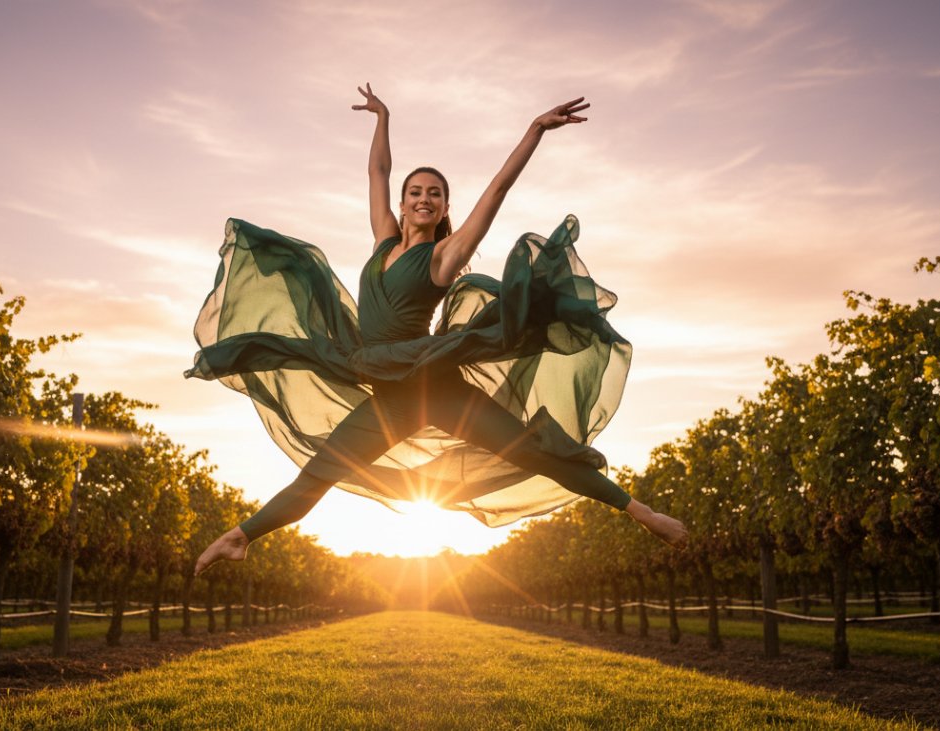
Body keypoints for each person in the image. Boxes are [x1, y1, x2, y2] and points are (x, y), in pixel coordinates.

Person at [189, 84, 687, 574]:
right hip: (389, 399)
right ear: (404, 204)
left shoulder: (444, 256)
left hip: (436, 387)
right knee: (319, 474)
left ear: (445, 208)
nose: (424, 198)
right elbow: (377, 171)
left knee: (533, 452)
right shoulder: (383, 241)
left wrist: (535, 129)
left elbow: (498, 189)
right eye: (416, 192)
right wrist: (382, 118)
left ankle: (641, 513)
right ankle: (240, 537)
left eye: (435, 194)